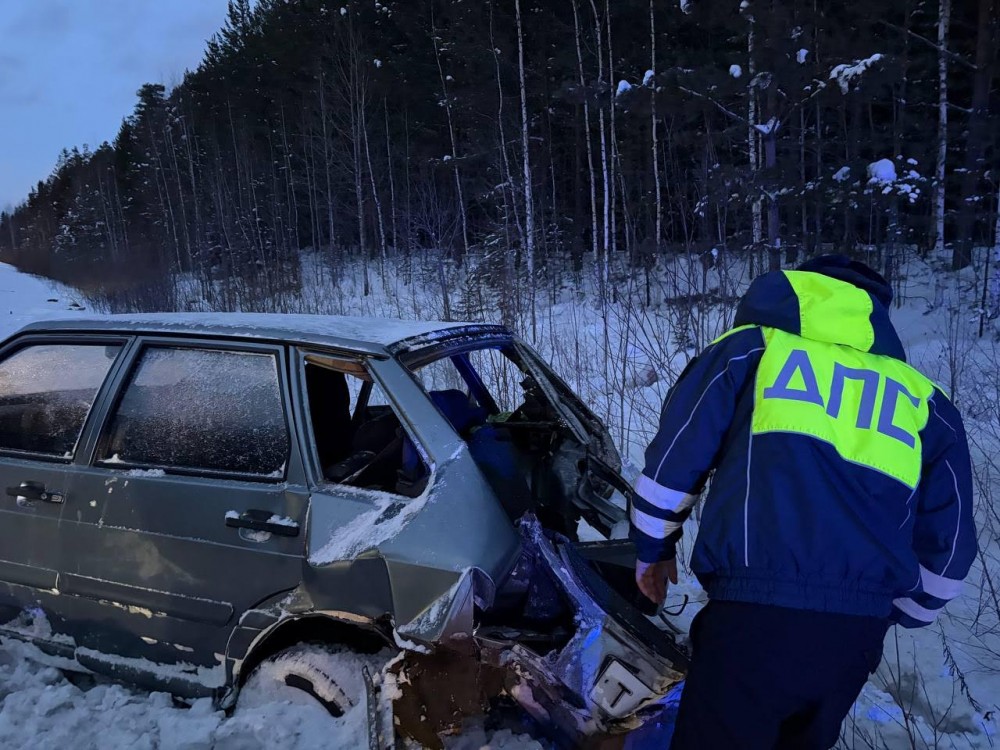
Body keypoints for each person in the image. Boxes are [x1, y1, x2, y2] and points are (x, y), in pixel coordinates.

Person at [630, 255, 977, 749]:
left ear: (794, 291)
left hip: (752, 616)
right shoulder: (924, 399)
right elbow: (954, 537)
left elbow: (674, 460)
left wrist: (652, 548)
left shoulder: (752, 350)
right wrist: (900, 608)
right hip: (855, 634)